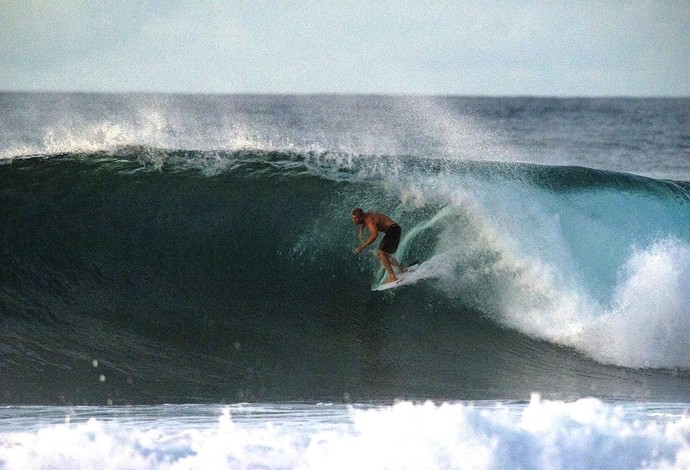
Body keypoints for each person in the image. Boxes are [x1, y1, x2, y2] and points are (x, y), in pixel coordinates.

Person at [351, 208, 406, 284]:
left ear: (361, 217)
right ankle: (401, 269)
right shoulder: (366, 216)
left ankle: (392, 277)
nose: (353, 220)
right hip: (394, 229)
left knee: (381, 253)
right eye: (352, 218)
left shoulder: (369, 220)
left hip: (393, 230)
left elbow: (374, 235)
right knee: (385, 254)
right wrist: (361, 229)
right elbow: (367, 215)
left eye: (355, 218)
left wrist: (362, 246)